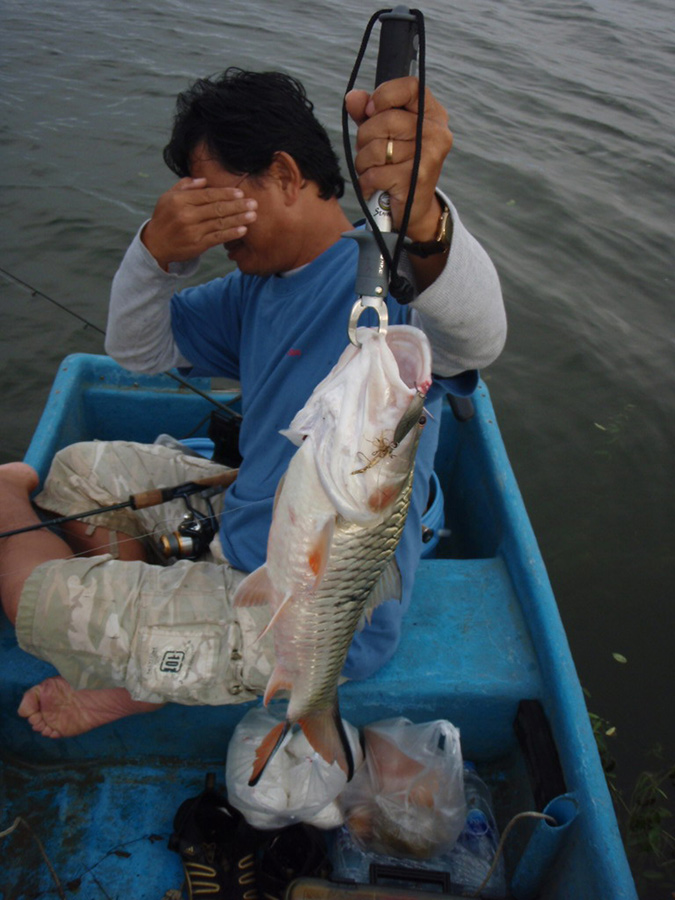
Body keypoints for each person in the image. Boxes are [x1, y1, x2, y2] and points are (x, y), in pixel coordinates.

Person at [0, 69, 506, 740]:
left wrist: (426, 220)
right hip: (253, 519)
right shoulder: (256, 287)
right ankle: (146, 654)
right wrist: (154, 255)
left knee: (35, 600)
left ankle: (136, 661)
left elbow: (476, 336)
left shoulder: (385, 279)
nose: (202, 218)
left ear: (285, 174)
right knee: (74, 474)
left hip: (318, 607)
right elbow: (139, 350)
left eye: (210, 195)